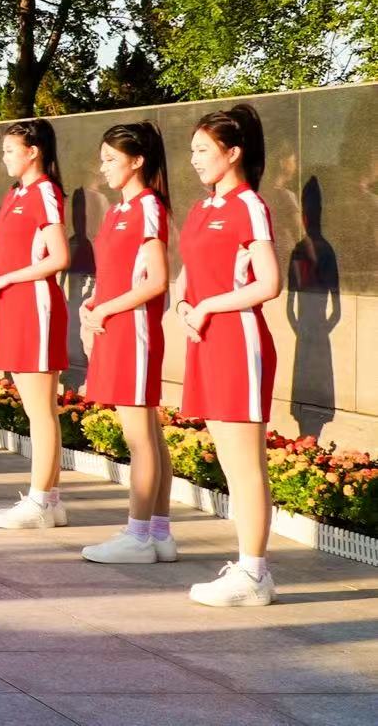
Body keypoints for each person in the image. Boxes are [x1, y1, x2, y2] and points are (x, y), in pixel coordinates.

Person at [178, 104, 283, 607]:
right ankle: (246, 568)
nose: (194, 159)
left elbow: (269, 283)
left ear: (233, 153)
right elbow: (189, 275)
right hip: (205, 341)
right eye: (192, 150)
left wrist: (207, 306)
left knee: (245, 464)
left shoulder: (249, 205)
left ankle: (255, 574)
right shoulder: (202, 208)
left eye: (203, 150)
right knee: (227, 460)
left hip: (238, 341)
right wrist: (185, 305)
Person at [78, 122, 178, 566]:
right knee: (147, 434)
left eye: (111, 159)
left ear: (137, 161)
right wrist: (93, 303)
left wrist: (106, 308)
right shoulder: (118, 210)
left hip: (134, 331)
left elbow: (156, 281)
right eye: (102, 159)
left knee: (140, 438)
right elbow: (119, 273)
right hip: (115, 326)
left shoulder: (148, 206)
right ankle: (158, 534)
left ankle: (138, 536)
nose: (103, 167)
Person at [0, 119, 74, 530]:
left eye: (10, 150)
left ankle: (40, 500)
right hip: (13, 304)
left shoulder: (45, 192)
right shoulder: (16, 193)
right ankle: (49, 501)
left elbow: (58, 257)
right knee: (33, 407)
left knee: (40, 410)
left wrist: (8, 279)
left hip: (35, 305)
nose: (4, 157)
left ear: (33, 151)